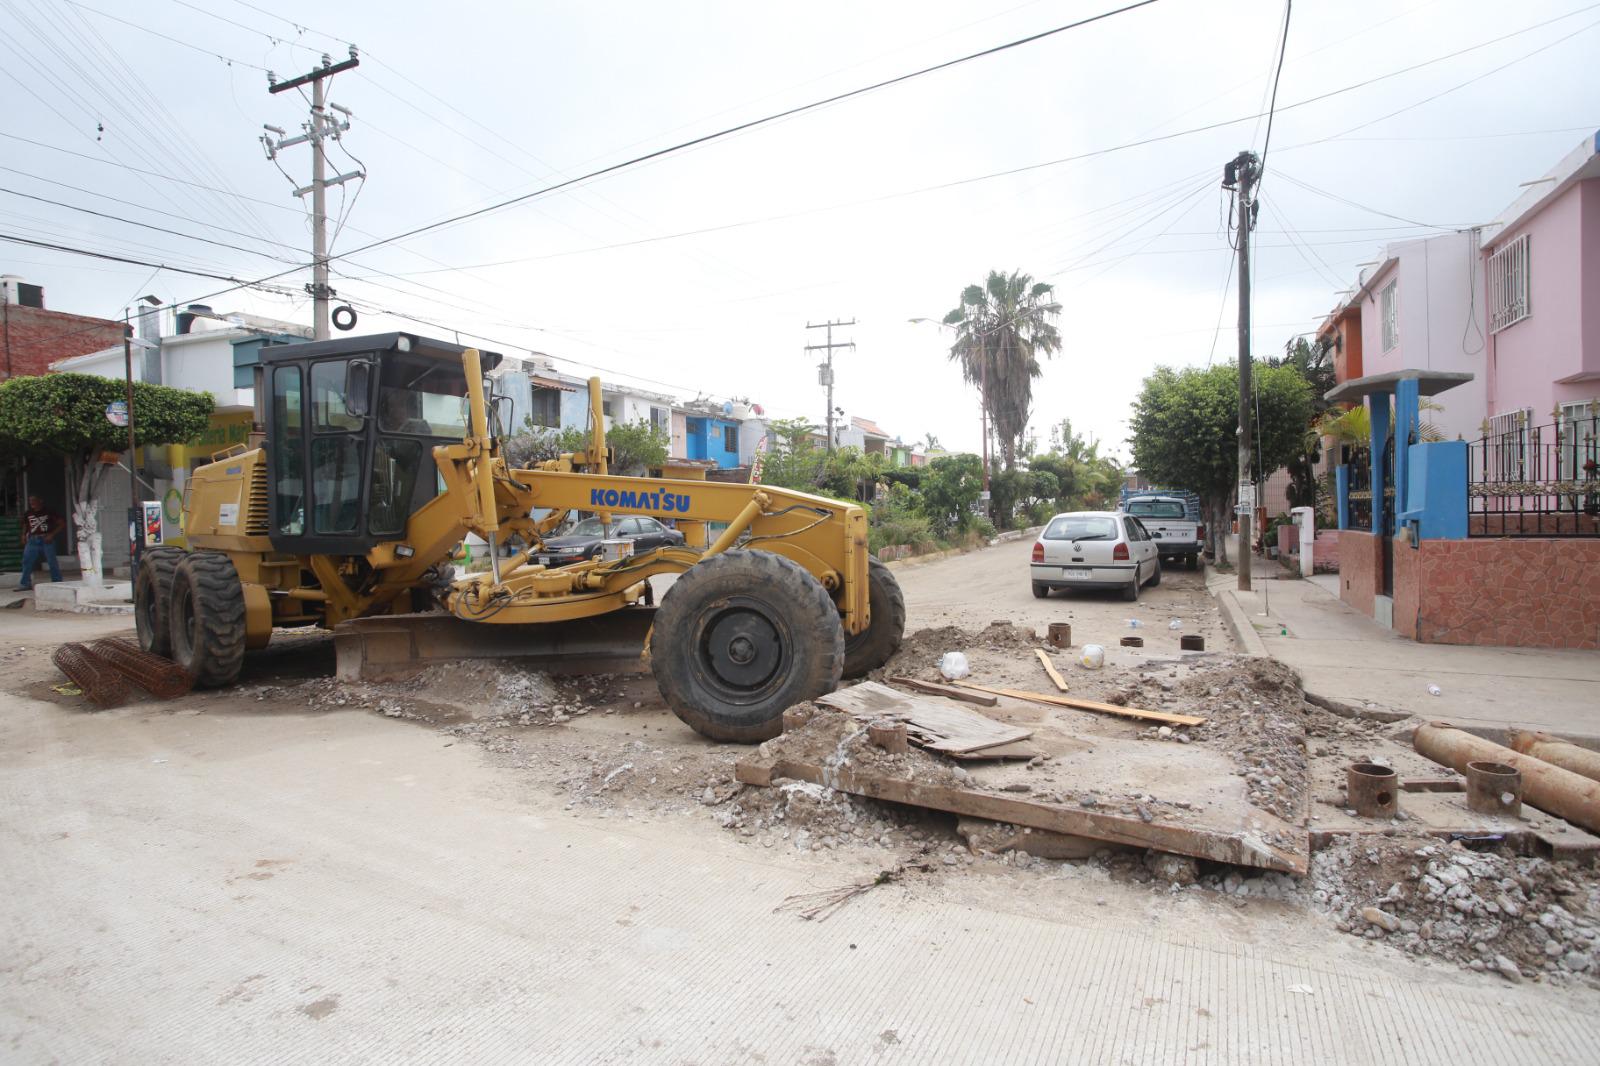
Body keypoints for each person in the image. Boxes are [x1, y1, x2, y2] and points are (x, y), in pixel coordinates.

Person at [15, 495, 63, 591]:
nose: (32, 502)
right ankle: (25, 583)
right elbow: (26, 525)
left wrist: (52, 534)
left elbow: (61, 523)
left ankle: (57, 582)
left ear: (40, 501)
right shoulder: (28, 513)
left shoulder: (49, 511)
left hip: (46, 539)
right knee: (26, 561)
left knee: (51, 561)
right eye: (30, 501)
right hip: (32, 540)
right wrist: (23, 535)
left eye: (34, 500)